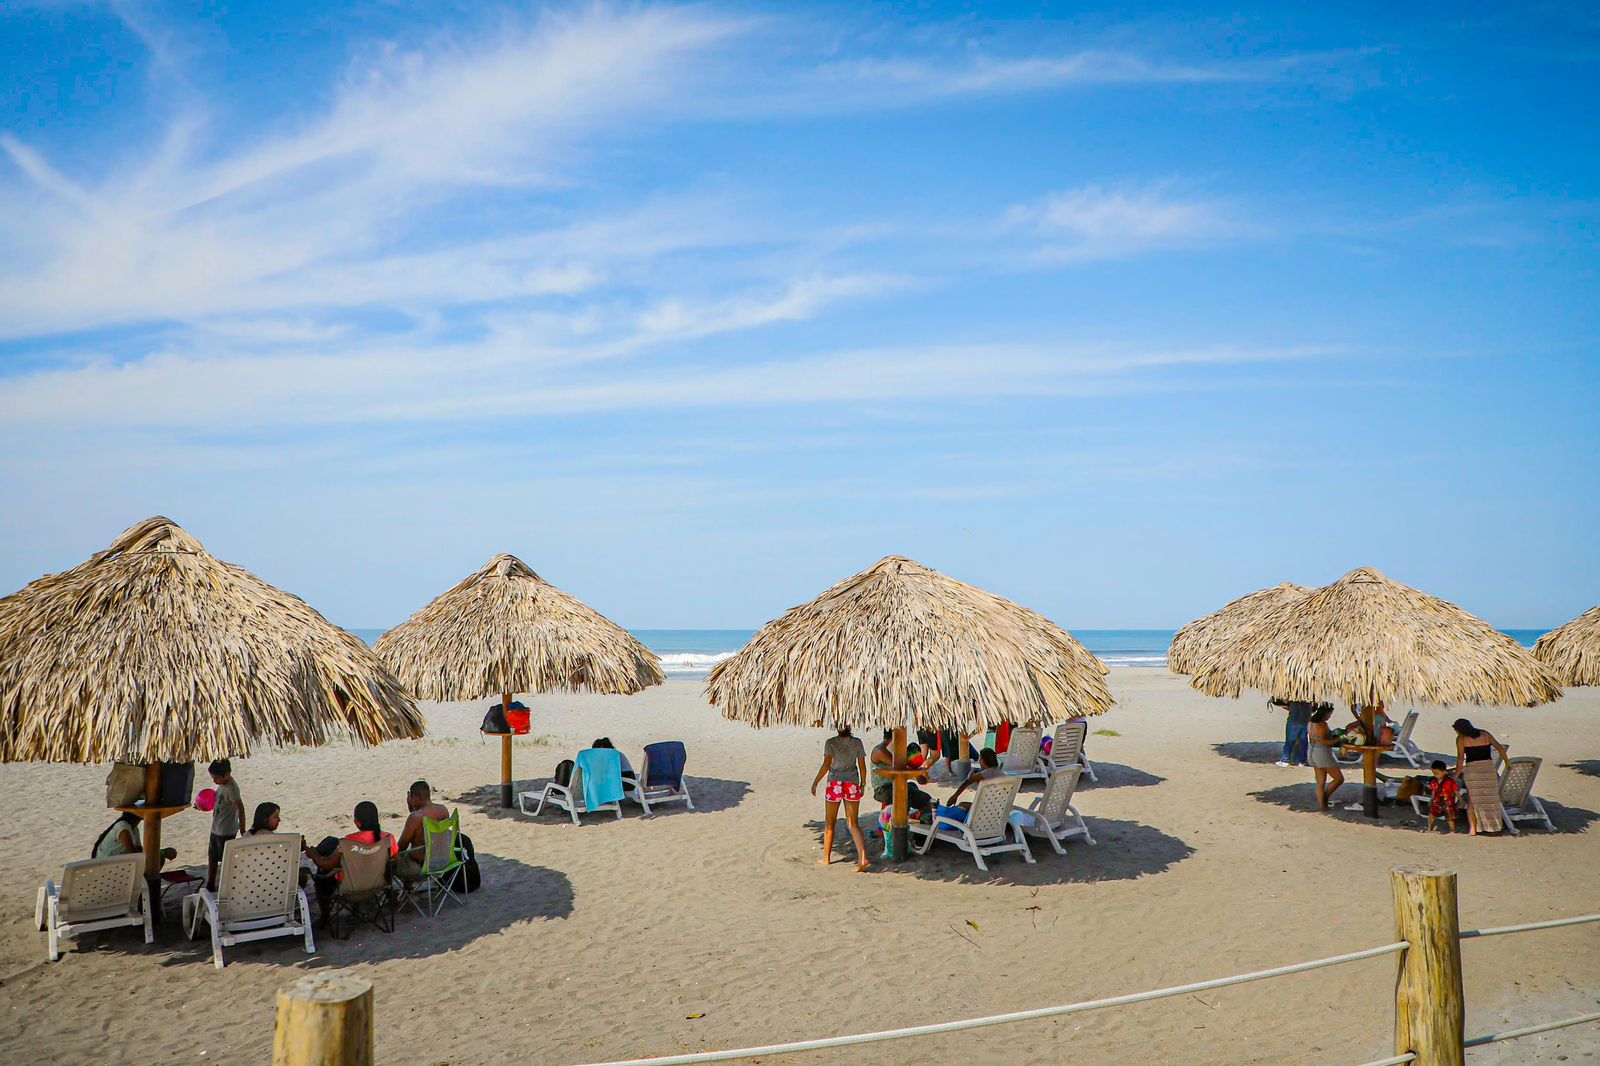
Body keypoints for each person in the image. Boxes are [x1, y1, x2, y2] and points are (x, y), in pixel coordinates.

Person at [304, 801, 398, 921]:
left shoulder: (348, 841)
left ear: (357, 823)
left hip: (351, 888)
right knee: (331, 842)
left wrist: (314, 855)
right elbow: (395, 860)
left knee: (322, 876)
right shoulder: (388, 839)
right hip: (377, 884)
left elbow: (327, 864)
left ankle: (325, 916)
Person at [810, 724, 869, 871]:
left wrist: (816, 782)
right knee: (853, 823)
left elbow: (826, 765)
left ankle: (826, 858)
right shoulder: (857, 742)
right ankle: (862, 858)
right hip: (852, 783)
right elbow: (862, 766)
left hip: (834, 783)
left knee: (830, 822)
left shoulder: (830, 743)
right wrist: (863, 784)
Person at [1453, 719, 1510, 835]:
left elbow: (1460, 758)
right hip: (1488, 770)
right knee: (1491, 799)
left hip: (1473, 770)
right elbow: (1499, 748)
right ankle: (1493, 826)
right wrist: (1507, 763)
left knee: (1472, 800)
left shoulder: (1461, 739)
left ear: (1460, 730)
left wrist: (1456, 774)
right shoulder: (1485, 734)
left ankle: (1473, 829)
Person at [870, 731, 936, 821]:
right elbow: (899, 766)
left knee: (926, 800)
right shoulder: (879, 751)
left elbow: (917, 777)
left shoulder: (898, 751)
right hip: (883, 788)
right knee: (903, 801)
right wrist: (913, 767)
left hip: (899, 785)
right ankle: (897, 823)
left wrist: (917, 771)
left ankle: (917, 820)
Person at [395, 781, 451, 882]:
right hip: (443, 863)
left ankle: (398, 891)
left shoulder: (416, 817)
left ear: (415, 798)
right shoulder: (443, 810)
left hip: (421, 868)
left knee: (389, 862)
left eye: (411, 797)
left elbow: (401, 847)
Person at [206, 759, 245, 890]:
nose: (214, 781)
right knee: (212, 857)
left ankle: (227, 885)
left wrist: (242, 829)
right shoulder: (222, 785)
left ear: (227, 774)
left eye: (216, 778)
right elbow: (219, 801)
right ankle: (210, 883)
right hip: (216, 828)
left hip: (226, 831)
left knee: (226, 860)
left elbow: (241, 808)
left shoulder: (232, 789)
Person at [937, 747, 1003, 822]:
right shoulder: (1000, 773)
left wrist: (955, 796)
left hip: (985, 809)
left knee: (962, 805)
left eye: (980, 759)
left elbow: (967, 781)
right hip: (999, 808)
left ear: (982, 760)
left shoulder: (983, 775)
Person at [92, 811, 177, 866]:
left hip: (116, 864)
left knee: (158, 859)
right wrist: (162, 852)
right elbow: (134, 854)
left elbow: (139, 850)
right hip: (107, 867)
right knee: (156, 860)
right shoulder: (123, 829)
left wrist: (160, 853)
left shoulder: (134, 829)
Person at [1307, 706, 1346, 811]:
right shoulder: (1322, 725)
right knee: (1339, 779)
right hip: (1322, 753)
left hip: (1311, 751)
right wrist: (1340, 738)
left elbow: (1314, 738)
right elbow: (1324, 741)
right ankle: (1325, 798)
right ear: (1325, 713)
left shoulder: (1310, 722)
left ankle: (1322, 806)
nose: (1330, 716)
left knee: (1320, 781)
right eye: (1330, 714)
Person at [1273, 699, 1313, 767]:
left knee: (1290, 740)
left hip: (1294, 720)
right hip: (1305, 720)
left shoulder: (1294, 699)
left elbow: (1287, 706)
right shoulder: (1308, 699)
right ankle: (1301, 761)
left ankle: (1285, 760)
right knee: (1303, 741)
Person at [1426, 760, 1461, 833]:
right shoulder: (1434, 781)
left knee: (1449, 818)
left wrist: (1461, 800)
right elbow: (1433, 793)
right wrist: (1431, 801)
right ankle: (1430, 829)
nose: (1436, 775)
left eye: (1437, 773)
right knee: (1431, 814)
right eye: (1434, 773)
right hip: (1437, 802)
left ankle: (1452, 831)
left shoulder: (1450, 782)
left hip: (1448, 803)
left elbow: (1456, 791)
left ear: (1444, 772)